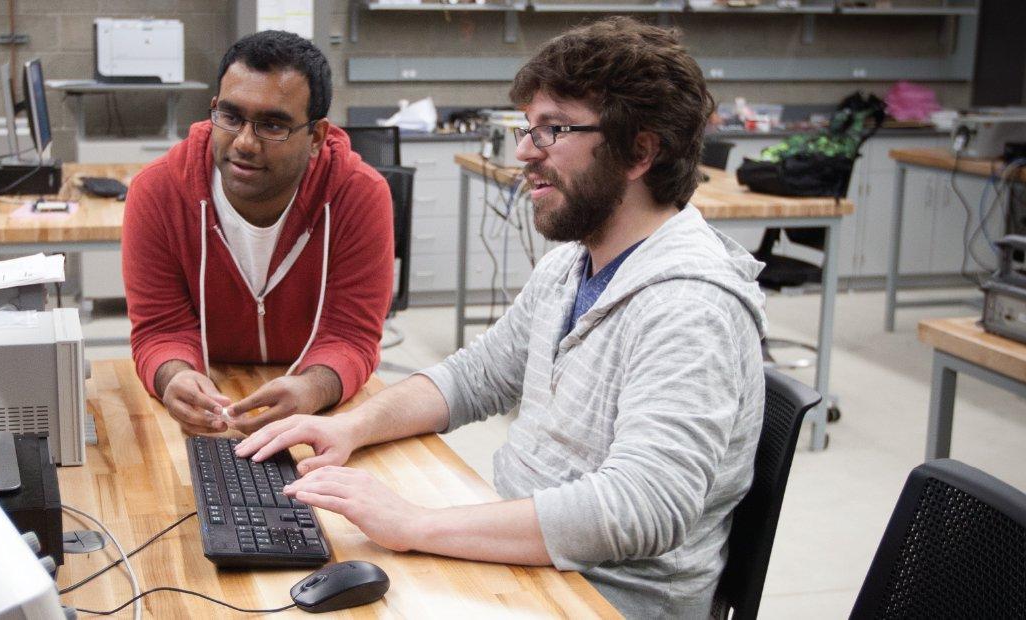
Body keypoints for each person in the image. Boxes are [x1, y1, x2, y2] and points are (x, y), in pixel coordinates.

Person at [235, 17, 767, 618]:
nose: (522, 152)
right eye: (527, 128)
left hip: (603, 599)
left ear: (640, 151)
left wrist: (416, 524)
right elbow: (475, 376)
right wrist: (350, 429)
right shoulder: (575, 264)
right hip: (529, 564)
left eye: (553, 130)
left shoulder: (690, 307)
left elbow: (639, 507)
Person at [122, 30, 394, 436]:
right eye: (231, 117)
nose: (245, 143)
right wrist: (172, 376)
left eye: (272, 125)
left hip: (317, 415)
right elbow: (161, 329)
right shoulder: (158, 192)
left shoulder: (360, 195)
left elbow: (352, 336)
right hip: (207, 408)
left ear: (316, 136)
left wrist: (312, 388)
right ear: (214, 109)